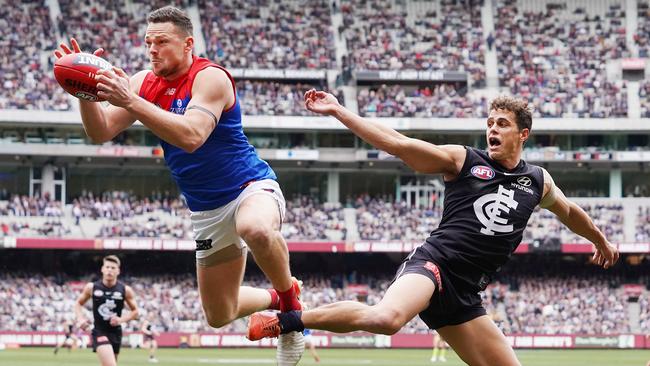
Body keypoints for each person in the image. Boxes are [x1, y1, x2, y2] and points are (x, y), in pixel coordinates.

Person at [247, 90, 620, 366]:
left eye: (502, 124)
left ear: (523, 134)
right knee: (387, 318)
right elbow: (398, 144)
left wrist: (599, 239)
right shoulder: (463, 160)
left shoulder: (538, 181)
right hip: (435, 265)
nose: (492, 129)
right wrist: (339, 111)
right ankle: (285, 320)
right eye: (489, 123)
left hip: (466, 292)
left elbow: (569, 212)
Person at [54, 6, 303, 365]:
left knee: (255, 228)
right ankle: (279, 295)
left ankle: (292, 312)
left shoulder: (210, 78)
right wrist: (85, 93)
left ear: (188, 44)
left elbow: (192, 136)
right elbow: (100, 132)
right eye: (147, 43)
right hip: (206, 210)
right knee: (219, 314)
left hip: (250, 187)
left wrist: (131, 101)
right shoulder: (142, 82)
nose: (152, 50)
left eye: (161, 42)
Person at [75, 255, 139, 366]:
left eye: (113, 268)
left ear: (118, 271)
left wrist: (121, 320)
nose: (110, 270)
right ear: (102, 269)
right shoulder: (92, 287)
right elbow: (78, 304)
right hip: (99, 331)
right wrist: (80, 319)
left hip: (116, 332)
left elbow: (135, 312)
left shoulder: (125, 290)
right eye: (107, 267)